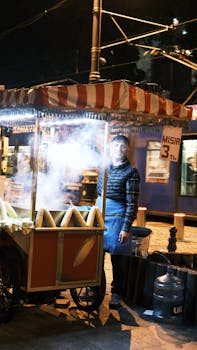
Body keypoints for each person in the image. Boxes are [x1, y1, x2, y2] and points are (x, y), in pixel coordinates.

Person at [96, 135, 140, 309]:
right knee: (96, 257)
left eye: (123, 147)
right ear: (111, 147)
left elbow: (132, 203)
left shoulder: (131, 173)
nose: (119, 150)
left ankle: (116, 294)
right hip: (100, 217)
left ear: (127, 149)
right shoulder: (104, 168)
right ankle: (95, 288)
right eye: (116, 146)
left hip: (117, 221)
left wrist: (126, 227)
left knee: (118, 261)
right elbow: (99, 193)